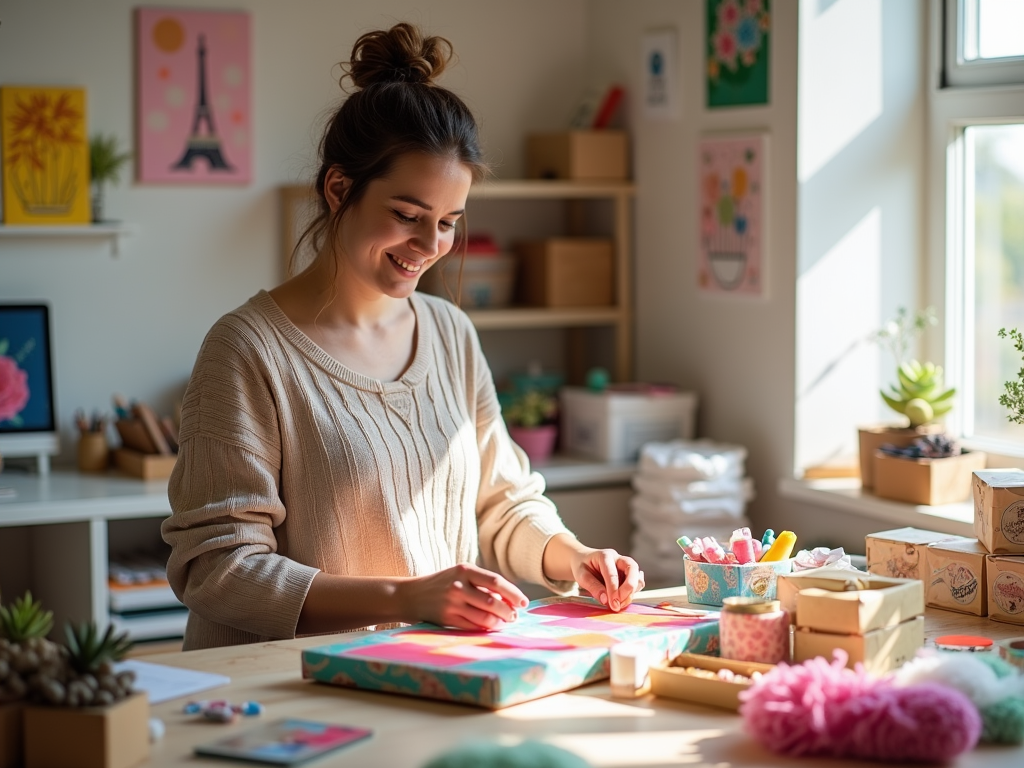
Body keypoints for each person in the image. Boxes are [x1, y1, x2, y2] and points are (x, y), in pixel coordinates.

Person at [162, 22, 644, 651]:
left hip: (423, 671)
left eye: (447, 223)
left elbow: (502, 503)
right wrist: (408, 598)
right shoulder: (248, 350)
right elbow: (218, 568)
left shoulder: (449, 332)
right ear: (339, 189)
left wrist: (570, 556)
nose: (429, 247)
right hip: (288, 698)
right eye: (406, 216)